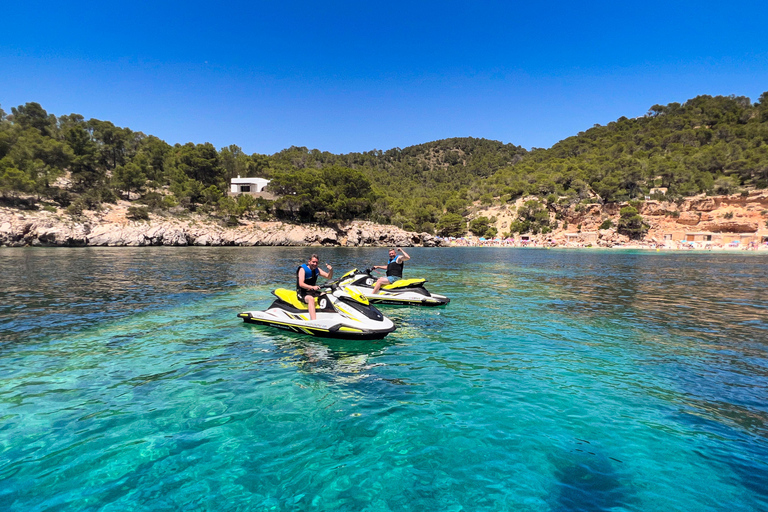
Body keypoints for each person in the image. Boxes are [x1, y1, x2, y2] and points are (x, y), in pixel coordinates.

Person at [296, 254, 333, 320]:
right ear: (309, 262)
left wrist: (331, 270)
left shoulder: (317, 270)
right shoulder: (302, 269)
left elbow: (328, 276)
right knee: (311, 299)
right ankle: (313, 320)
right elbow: (301, 284)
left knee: (327, 295)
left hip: (312, 291)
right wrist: (312, 287)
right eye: (313, 262)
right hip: (302, 293)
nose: (315, 264)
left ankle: (329, 315)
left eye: (316, 262)